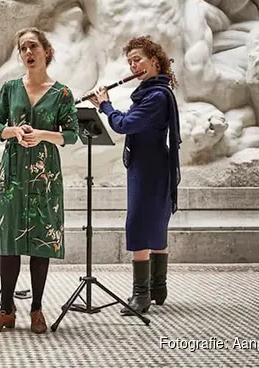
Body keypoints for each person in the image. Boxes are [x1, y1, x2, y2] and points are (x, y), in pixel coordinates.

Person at [0, 27, 79, 335]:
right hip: (12, 174)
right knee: (8, 243)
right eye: (23, 48)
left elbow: (71, 134)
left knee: (40, 243)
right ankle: (6, 310)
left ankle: (37, 309)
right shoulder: (10, 88)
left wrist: (42, 135)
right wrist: (14, 131)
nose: (28, 52)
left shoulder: (62, 93)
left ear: (46, 51)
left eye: (33, 46)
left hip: (44, 176)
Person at [88, 36, 181, 315]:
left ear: (154, 62)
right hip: (152, 164)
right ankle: (158, 288)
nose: (133, 65)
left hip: (149, 168)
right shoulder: (154, 92)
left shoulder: (155, 96)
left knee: (139, 225)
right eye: (129, 61)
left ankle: (141, 296)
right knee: (155, 224)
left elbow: (125, 124)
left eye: (137, 59)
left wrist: (105, 105)